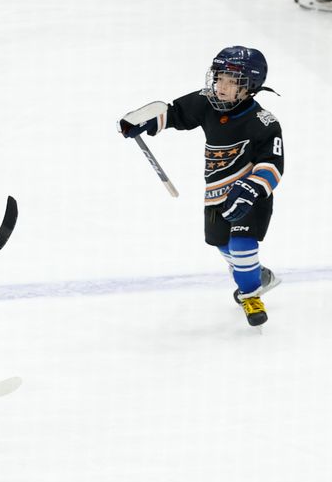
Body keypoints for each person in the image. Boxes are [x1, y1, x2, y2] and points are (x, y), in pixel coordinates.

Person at [117, 46, 284, 327]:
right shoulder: (206, 101)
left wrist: (253, 188)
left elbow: (273, 163)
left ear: (250, 86)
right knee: (222, 244)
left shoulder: (263, 122)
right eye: (219, 78)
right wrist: (144, 121)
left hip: (250, 194)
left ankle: (250, 294)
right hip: (215, 191)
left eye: (232, 82)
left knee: (242, 244)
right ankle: (256, 274)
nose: (221, 86)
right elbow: (175, 114)